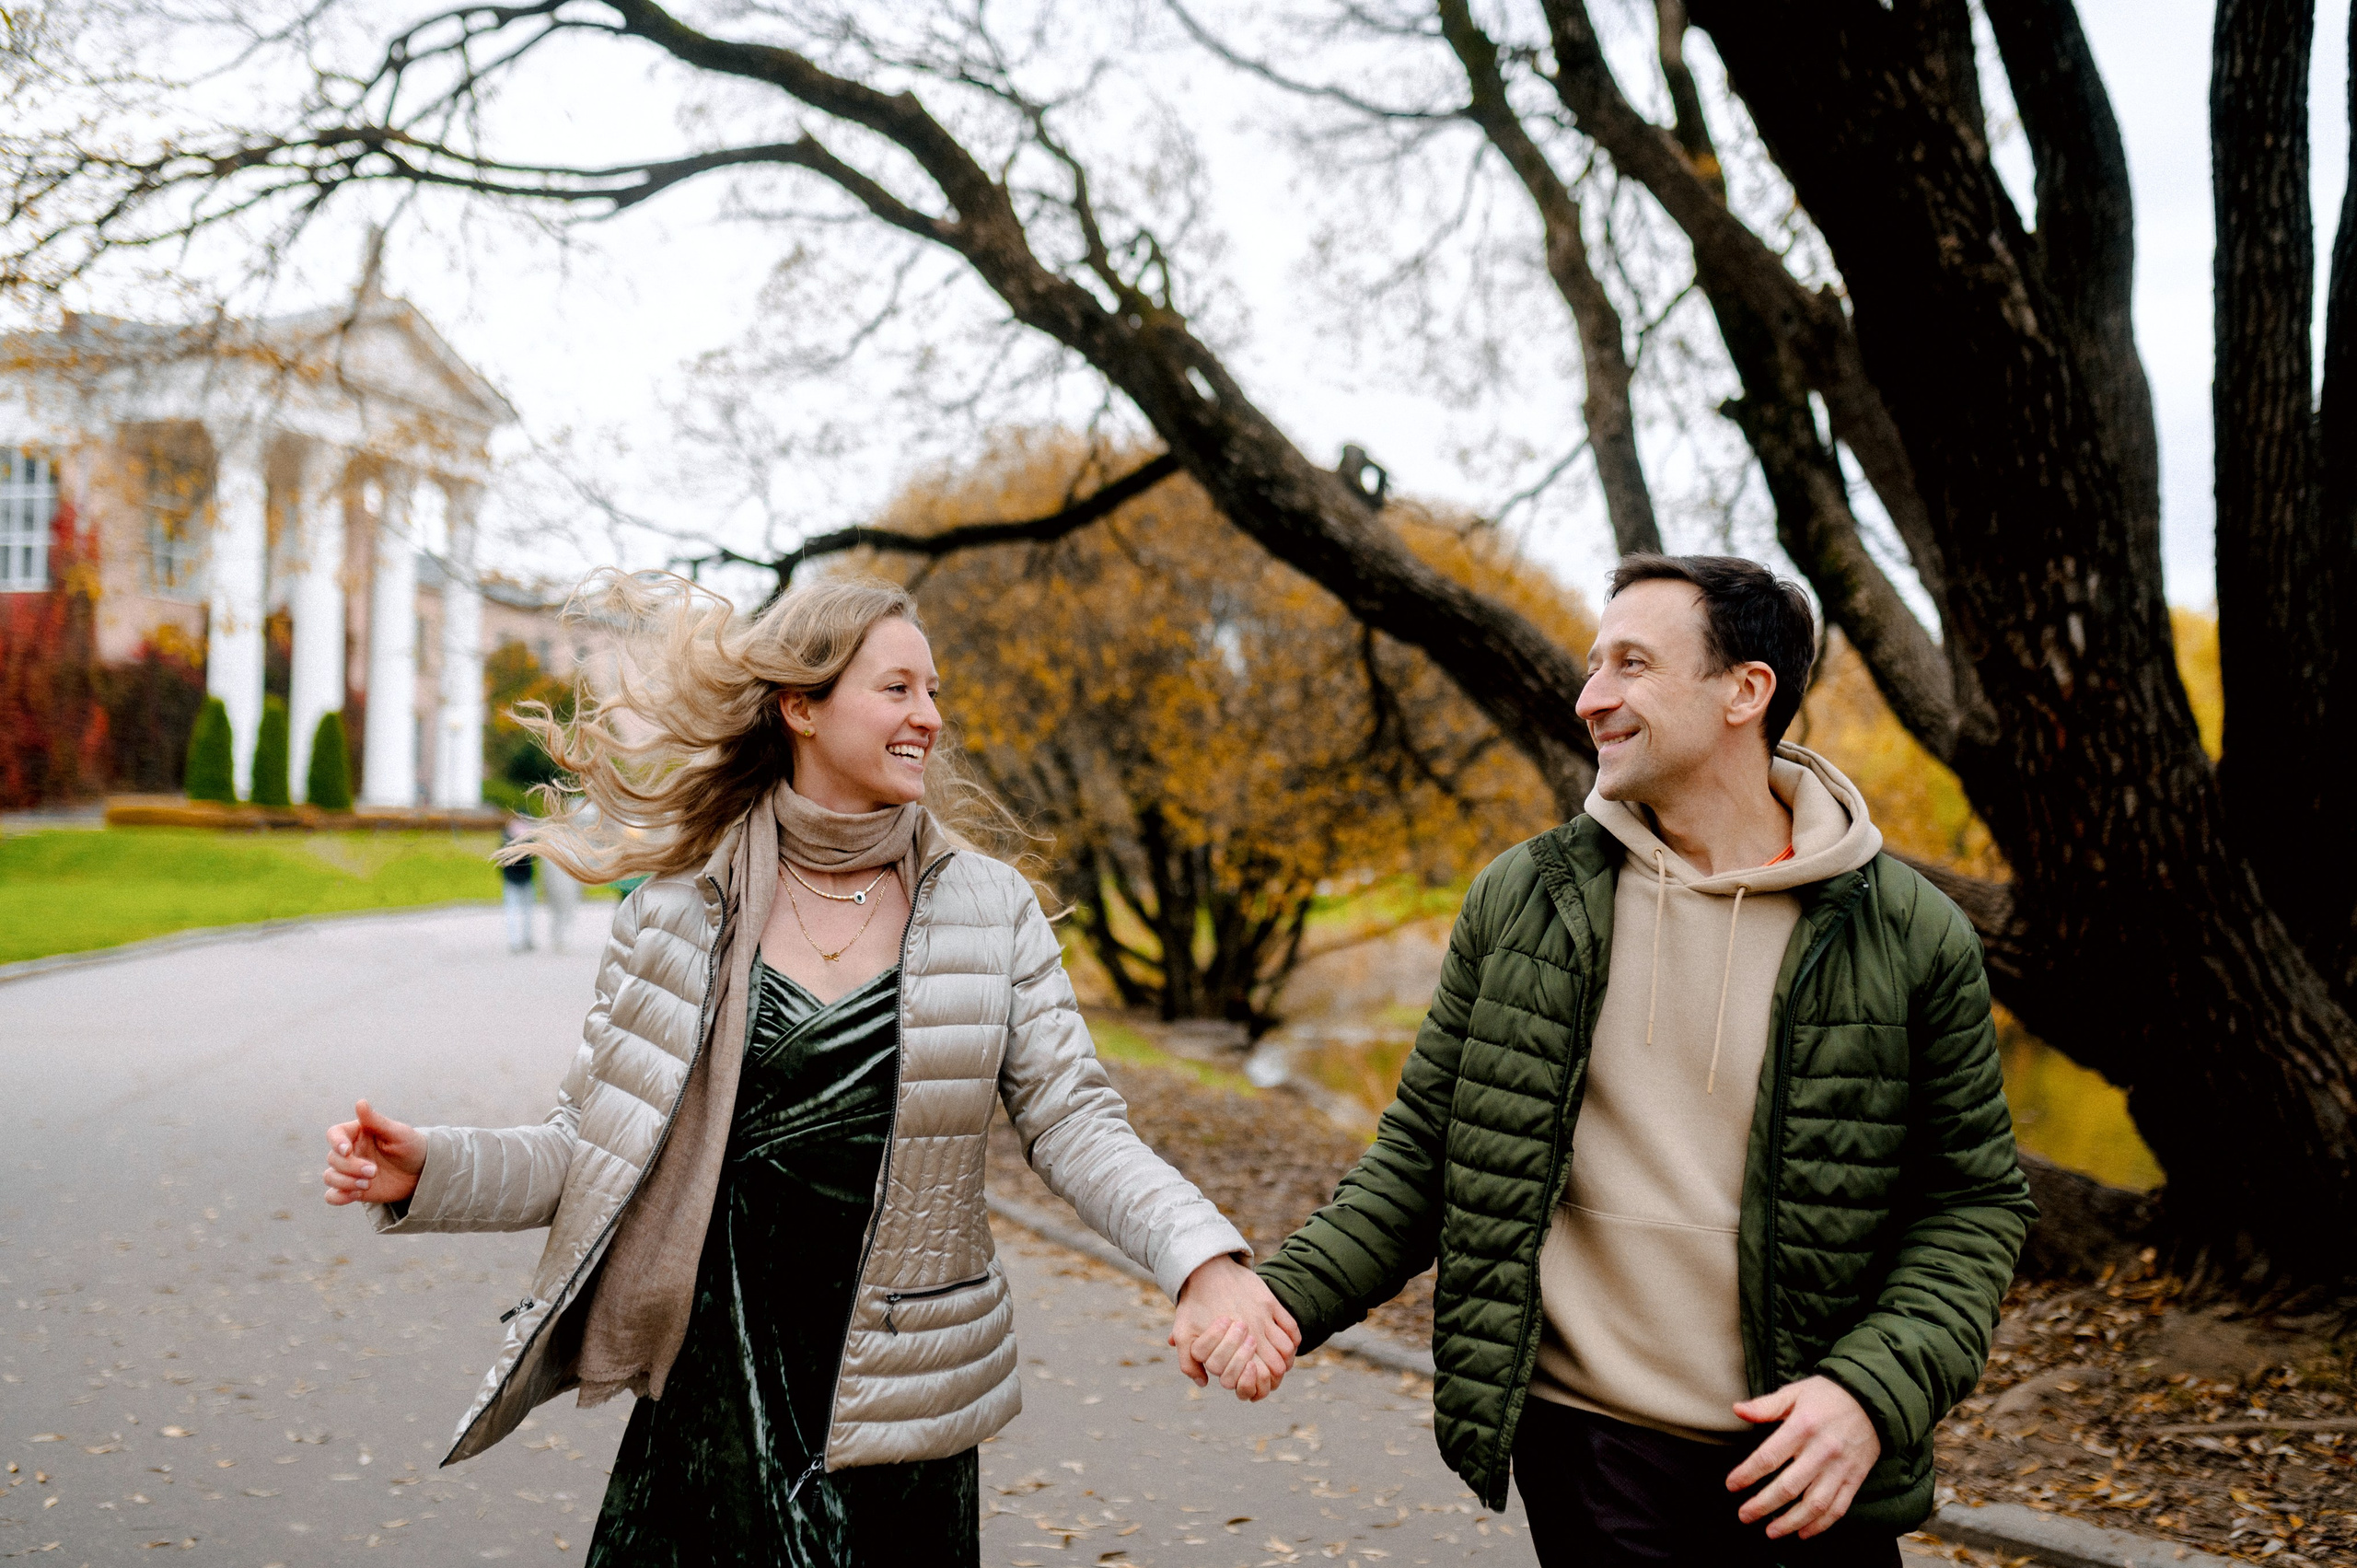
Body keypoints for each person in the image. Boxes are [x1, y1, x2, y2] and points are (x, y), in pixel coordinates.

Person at [320, 573, 1299, 1565]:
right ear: (801, 706)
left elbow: (1077, 1123)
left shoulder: (991, 908)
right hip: (719, 1386)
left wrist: (1201, 1260)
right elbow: (591, 1147)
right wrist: (430, 1168)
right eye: (898, 689)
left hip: (900, 1393)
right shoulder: (678, 910)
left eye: (933, 690)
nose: (930, 715)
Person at [1240, 555, 2035, 1565]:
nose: (1589, 697)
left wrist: (1871, 1391)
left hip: (1807, 1455)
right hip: (1591, 1449)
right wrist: (1284, 1296)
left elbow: (1972, 1204)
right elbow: (1427, 1155)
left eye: (1631, 663)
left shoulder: (1910, 934)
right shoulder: (1525, 899)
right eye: (1590, 663)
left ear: (1744, 690)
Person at [498, 815, 537, 953]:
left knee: (525, 912)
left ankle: (524, 940)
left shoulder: (510, 838)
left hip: (522, 880)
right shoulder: (507, 838)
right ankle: (516, 941)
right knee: (515, 912)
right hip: (514, 881)